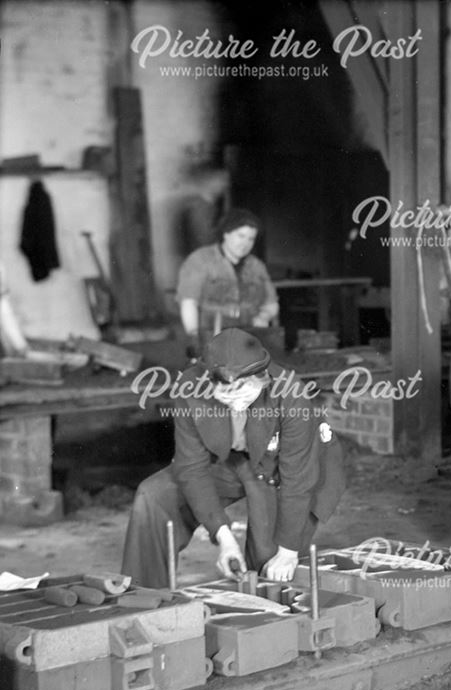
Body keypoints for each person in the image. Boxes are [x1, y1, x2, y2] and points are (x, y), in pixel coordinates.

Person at [122, 328, 345, 588]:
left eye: (244, 393)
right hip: (230, 459)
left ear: (263, 379)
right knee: (154, 496)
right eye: (226, 394)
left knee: (269, 567)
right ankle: (143, 596)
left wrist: (288, 552)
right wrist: (223, 536)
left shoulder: (291, 394)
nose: (236, 403)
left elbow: (298, 478)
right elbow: (191, 468)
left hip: (286, 469)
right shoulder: (189, 388)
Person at [176, 208, 279, 358]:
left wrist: (264, 316)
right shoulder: (200, 260)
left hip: (249, 338)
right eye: (241, 236)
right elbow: (188, 302)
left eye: (251, 239)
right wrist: (194, 337)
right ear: (226, 234)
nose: (245, 243)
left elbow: (271, 304)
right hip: (211, 335)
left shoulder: (257, 266)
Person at [179, 164, 230, 255]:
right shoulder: (199, 208)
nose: (225, 185)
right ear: (210, 180)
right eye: (221, 179)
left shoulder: (207, 206)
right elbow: (204, 240)